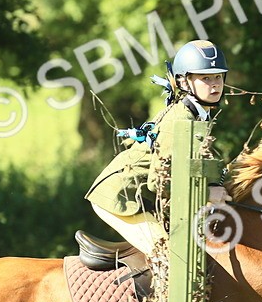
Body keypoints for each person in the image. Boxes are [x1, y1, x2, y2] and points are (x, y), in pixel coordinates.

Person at [85, 39, 231, 264]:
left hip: (142, 198)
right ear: (184, 82)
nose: (215, 84)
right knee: (172, 260)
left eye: (218, 77)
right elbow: (160, 182)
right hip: (122, 197)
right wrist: (207, 194)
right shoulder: (180, 120)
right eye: (205, 78)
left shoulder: (198, 115)